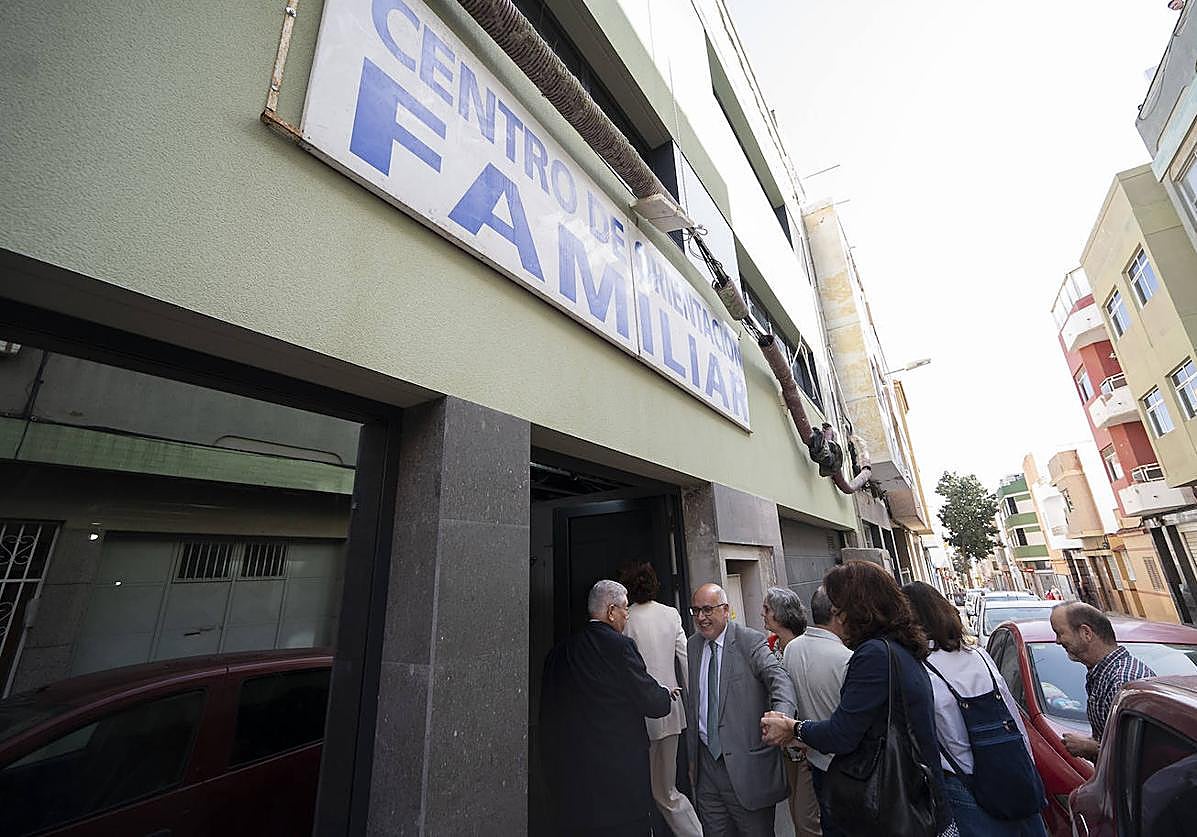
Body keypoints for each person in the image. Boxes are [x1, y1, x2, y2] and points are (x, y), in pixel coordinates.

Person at [760, 561, 955, 837]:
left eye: (839, 609)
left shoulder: (874, 654)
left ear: (859, 608)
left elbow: (841, 734)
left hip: (900, 809)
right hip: (918, 802)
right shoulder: (895, 646)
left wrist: (792, 728)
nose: (837, 619)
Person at [903, 581, 1047, 837]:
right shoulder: (979, 656)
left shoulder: (919, 670)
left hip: (963, 783)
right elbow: (1013, 718)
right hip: (1011, 772)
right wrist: (1028, 767)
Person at [540, 579, 676, 836]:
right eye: (625, 609)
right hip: (619, 787)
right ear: (611, 611)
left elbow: (547, 718)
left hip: (572, 786)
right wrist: (665, 694)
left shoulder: (559, 652)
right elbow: (652, 701)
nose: (627, 615)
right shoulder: (620, 647)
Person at [686, 582, 797, 836]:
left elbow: (780, 680)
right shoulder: (693, 646)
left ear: (725, 610)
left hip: (747, 771)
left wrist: (782, 718)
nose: (701, 617)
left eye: (707, 610)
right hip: (706, 769)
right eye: (696, 611)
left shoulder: (750, 641)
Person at [620, 562, 702, 837]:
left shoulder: (625, 620)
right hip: (671, 710)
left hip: (636, 715)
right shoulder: (671, 614)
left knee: (642, 789)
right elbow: (686, 661)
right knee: (667, 790)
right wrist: (694, 703)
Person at [782, 586, 851, 837]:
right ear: (838, 614)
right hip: (847, 766)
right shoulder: (847, 658)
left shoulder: (792, 649)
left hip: (815, 759)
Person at [1049, 601, 1155, 761]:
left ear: (1086, 633)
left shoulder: (1121, 682)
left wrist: (1090, 748)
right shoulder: (1101, 673)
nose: (1058, 641)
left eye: (1060, 633)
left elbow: (1138, 754)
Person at [761, 587, 821, 837]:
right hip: (786, 745)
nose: (762, 614)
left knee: (806, 817)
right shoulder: (769, 646)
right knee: (796, 810)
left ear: (780, 614)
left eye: (767, 609)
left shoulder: (806, 647)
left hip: (807, 742)